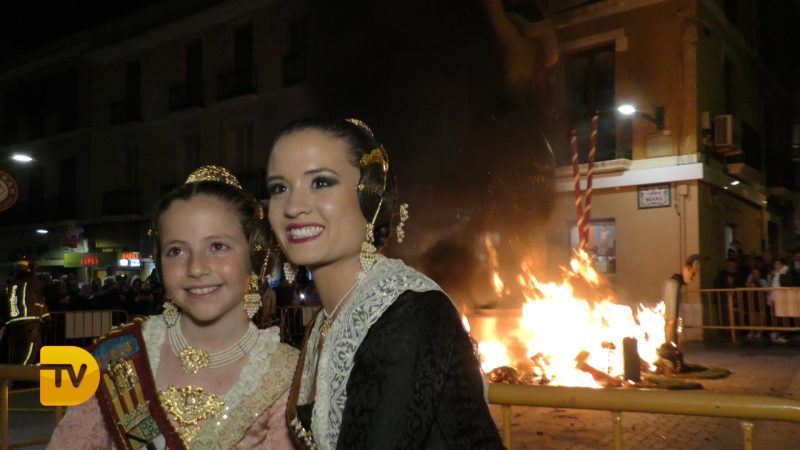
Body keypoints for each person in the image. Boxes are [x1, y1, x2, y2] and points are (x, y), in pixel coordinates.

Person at [267, 118, 503, 449]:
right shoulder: (329, 319)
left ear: (372, 195)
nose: (293, 207)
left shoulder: (409, 315)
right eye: (279, 188)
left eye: (320, 182)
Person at [49, 166, 299, 449]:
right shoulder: (119, 357)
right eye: (176, 251)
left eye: (218, 246)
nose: (196, 268)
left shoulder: (284, 374)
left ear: (255, 258)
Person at [663, 254, 701, 347]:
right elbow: (671, 320)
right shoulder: (674, 284)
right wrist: (671, 346)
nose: (692, 279)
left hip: (673, 339)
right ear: (687, 269)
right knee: (672, 321)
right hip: (670, 344)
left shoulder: (676, 284)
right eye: (692, 274)